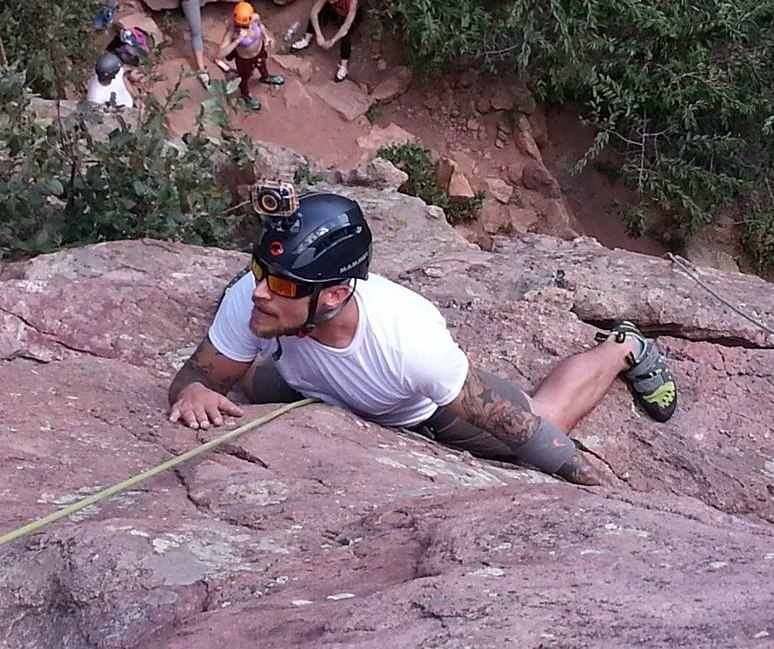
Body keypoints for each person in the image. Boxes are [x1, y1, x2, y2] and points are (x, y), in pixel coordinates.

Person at [167, 187, 680, 486]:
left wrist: (599, 486)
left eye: (279, 284)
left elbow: (522, 430)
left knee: (548, 416)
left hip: (416, 408)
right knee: (249, 385)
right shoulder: (256, 301)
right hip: (313, 383)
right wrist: (192, 390)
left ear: (331, 296)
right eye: (259, 272)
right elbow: (200, 375)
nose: (257, 292)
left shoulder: (408, 342)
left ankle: (624, 347)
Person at [290, 0, 361, 82]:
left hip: (348, 18)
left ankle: (344, 66)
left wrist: (332, 41)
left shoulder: (352, 1)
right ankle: (307, 39)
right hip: (336, 12)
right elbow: (314, 11)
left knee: (345, 36)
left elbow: (346, 26)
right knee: (319, 13)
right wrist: (319, 34)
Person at [217, 1, 284, 111]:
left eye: (245, 25)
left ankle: (265, 77)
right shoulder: (232, 30)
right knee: (244, 77)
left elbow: (260, 25)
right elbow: (219, 54)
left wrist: (266, 36)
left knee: (262, 64)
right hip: (245, 59)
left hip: (259, 50)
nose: (242, 28)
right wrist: (237, 40)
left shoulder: (255, 17)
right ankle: (245, 94)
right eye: (239, 25)